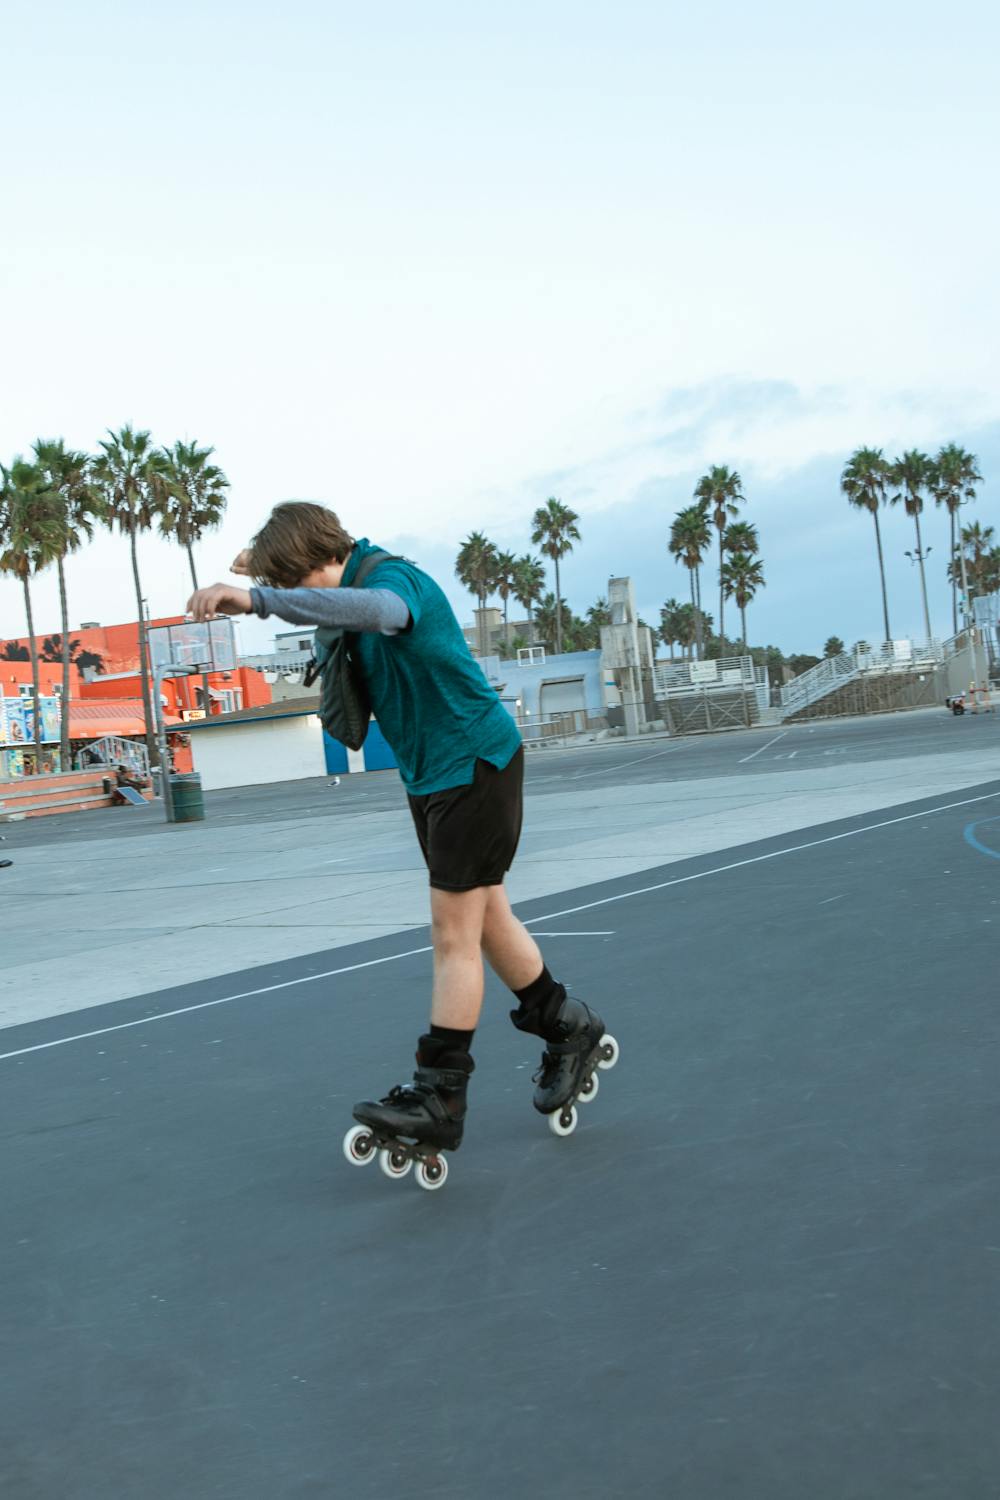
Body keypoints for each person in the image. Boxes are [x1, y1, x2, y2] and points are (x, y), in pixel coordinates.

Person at [187, 502, 615, 1177]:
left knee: (452, 932)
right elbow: (318, 582)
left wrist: (259, 597)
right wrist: (254, 563)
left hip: (474, 763)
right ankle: (567, 1026)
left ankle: (438, 1097)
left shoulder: (395, 586)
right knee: (484, 915)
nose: (303, 600)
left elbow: (371, 611)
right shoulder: (335, 568)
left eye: (302, 585)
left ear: (322, 563)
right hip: (434, 775)